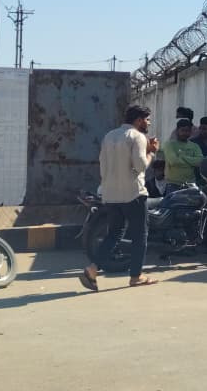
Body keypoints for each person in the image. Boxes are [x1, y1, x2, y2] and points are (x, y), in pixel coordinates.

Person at [80, 105, 160, 291]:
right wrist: (151, 152)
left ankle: (92, 269)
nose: (149, 123)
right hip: (134, 194)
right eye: (147, 120)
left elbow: (103, 165)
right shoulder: (138, 136)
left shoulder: (109, 136)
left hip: (110, 194)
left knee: (114, 234)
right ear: (139, 120)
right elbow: (140, 166)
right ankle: (136, 276)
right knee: (140, 236)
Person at [162, 119, 204, 195]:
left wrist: (182, 157)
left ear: (190, 132)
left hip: (190, 185)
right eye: (183, 130)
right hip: (173, 185)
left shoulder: (194, 146)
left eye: (187, 131)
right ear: (177, 131)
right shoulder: (169, 145)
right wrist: (191, 162)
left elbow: (200, 162)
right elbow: (173, 161)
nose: (185, 133)